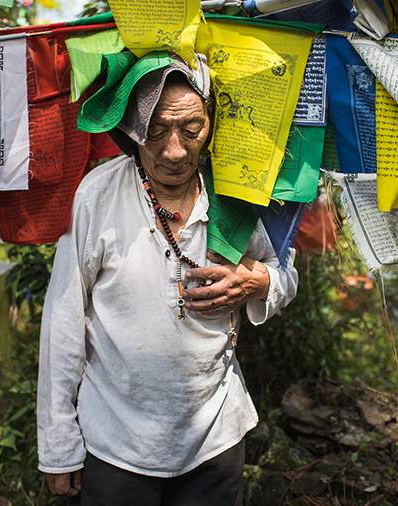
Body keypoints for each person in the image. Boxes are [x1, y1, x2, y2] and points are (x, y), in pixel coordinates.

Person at [37, 52, 298, 506]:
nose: (174, 150)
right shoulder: (98, 195)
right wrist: (59, 448)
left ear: (212, 124)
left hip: (215, 437)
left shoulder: (236, 193)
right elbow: (63, 320)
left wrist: (257, 283)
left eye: (191, 128)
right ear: (131, 129)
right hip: (117, 441)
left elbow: (284, 273)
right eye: (156, 130)